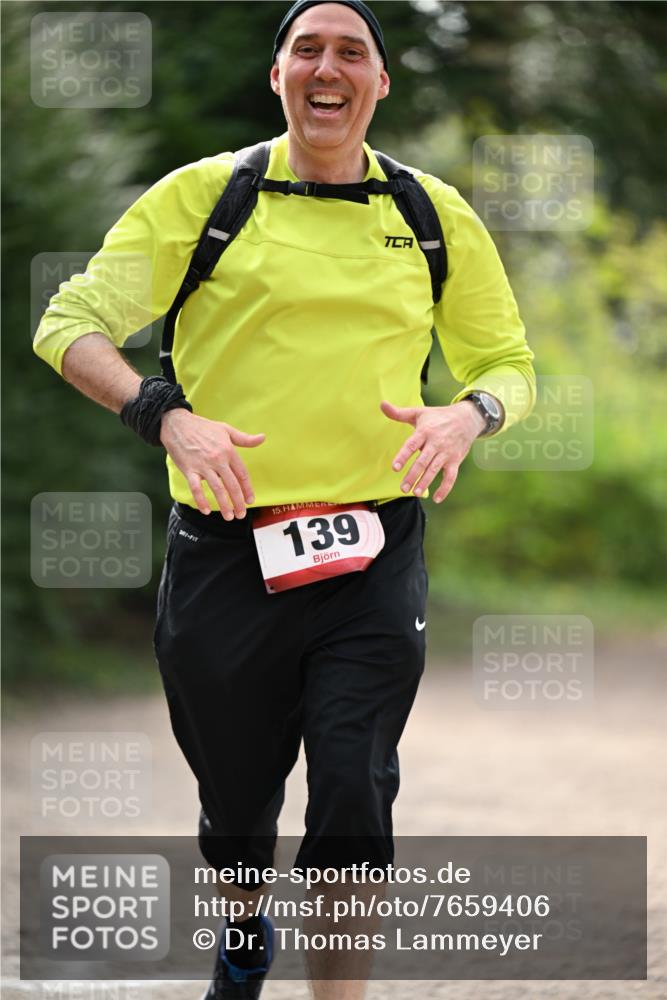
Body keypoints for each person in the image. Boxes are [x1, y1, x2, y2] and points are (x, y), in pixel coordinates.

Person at [33, 1, 536, 996]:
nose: (327, 69)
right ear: (278, 77)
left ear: (380, 84)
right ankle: (242, 932)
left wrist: (467, 413)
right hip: (227, 554)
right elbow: (71, 321)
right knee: (236, 804)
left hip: (371, 551)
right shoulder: (204, 200)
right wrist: (164, 415)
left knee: (353, 784)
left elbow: (508, 361)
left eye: (352, 53)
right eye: (306, 50)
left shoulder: (431, 216)